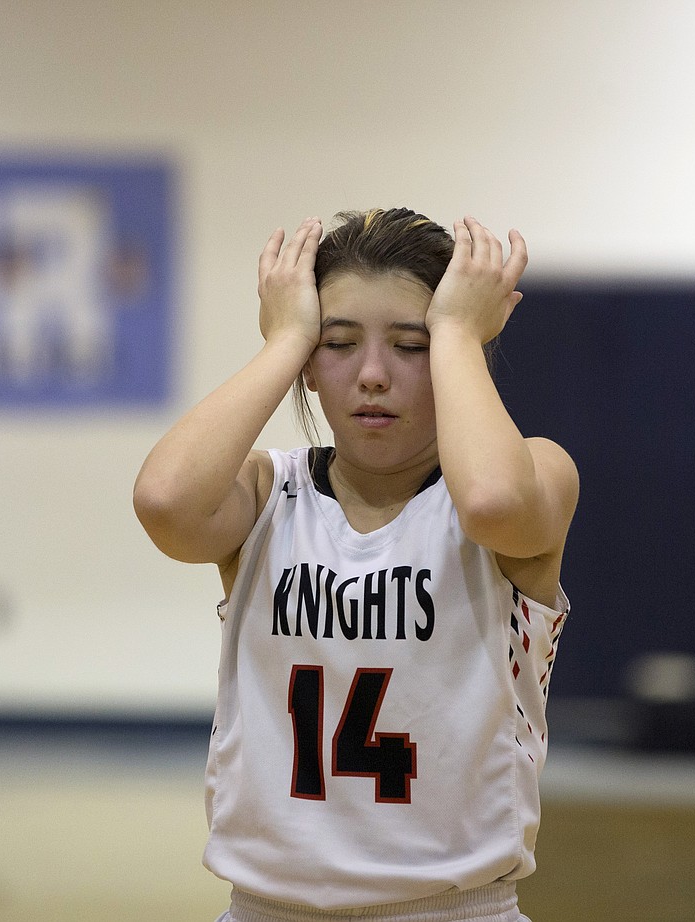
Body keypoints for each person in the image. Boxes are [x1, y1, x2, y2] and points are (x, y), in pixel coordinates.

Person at [133, 208, 579, 922]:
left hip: (455, 910)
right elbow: (163, 502)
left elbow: (493, 502)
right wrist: (285, 340)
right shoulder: (263, 494)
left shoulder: (537, 474)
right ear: (310, 362)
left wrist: (459, 331)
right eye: (338, 343)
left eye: (411, 344)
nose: (372, 375)